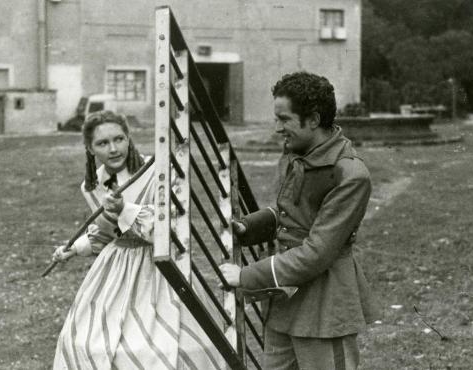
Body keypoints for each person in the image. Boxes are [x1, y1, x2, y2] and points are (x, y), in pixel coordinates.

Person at [219, 72, 379, 370]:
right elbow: (290, 215)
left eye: (285, 119)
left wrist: (246, 277)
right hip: (286, 304)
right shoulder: (300, 153)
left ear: (314, 119)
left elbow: (317, 252)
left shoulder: (350, 174)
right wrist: (248, 227)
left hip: (324, 310)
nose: (278, 128)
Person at [52, 111, 223, 370]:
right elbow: (107, 234)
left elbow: (167, 229)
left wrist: (125, 209)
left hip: (160, 267)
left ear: (128, 138)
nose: (113, 149)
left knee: (162, 347)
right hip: (116, 269)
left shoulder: (157, 170)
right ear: (89, 148)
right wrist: (74, 249)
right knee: (84, 341)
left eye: (119, 139)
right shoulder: (92, 185)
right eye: (102, 143)